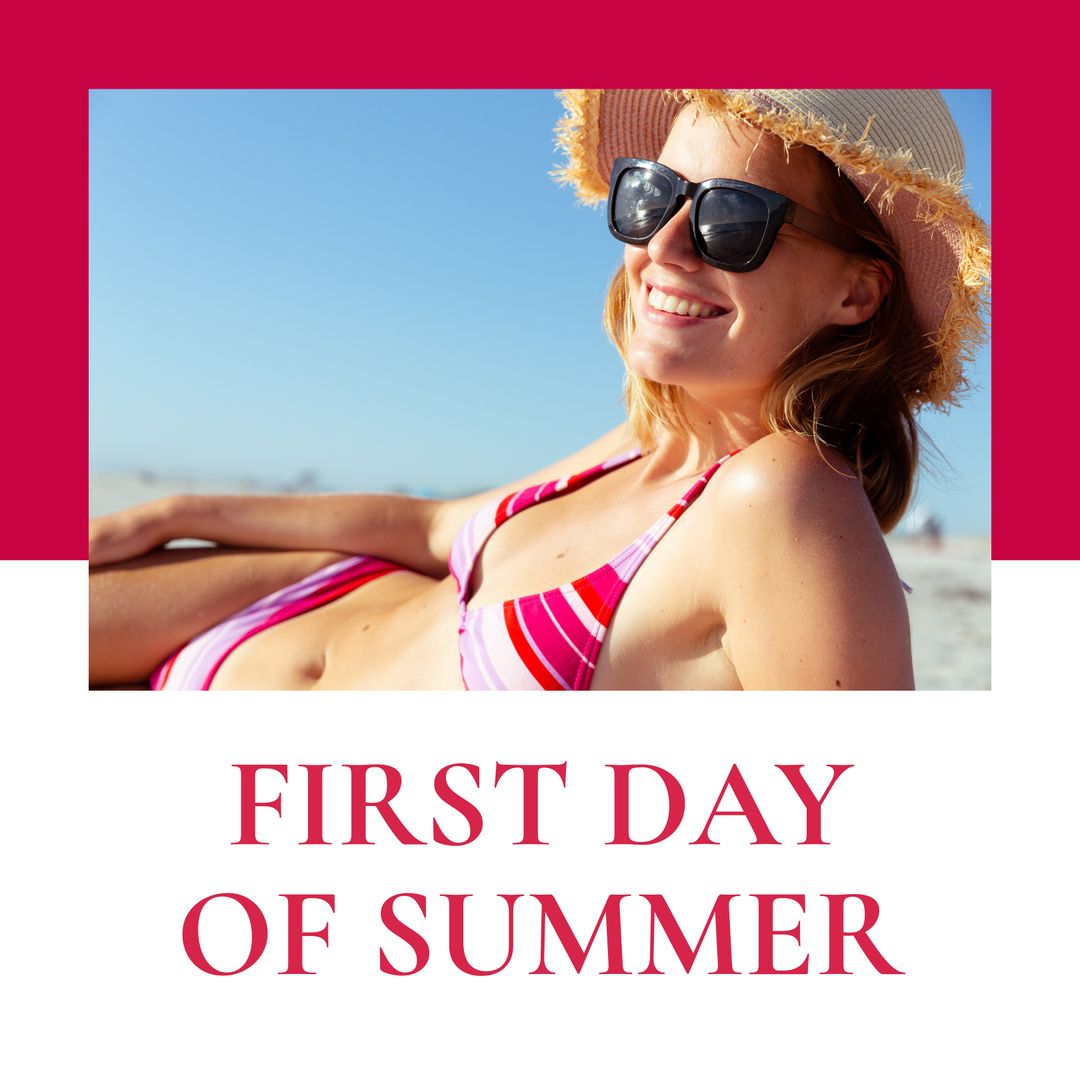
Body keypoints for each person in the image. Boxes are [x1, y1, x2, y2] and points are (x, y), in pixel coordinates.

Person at [89, 89, 990, 691]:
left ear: (856, 292)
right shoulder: (653, 444)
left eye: (731, 218)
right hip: (279, 605)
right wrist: (176, 512)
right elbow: (431, 528)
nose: (664, 246)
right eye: (654, 195)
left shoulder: (783, 498)